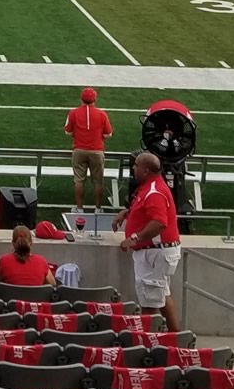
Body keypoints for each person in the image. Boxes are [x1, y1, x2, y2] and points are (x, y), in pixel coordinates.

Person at [118, 151, 182, 331]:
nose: (133, 168)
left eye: (136, 165)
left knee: (149, 304)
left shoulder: (154, 191)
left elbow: (159, 223)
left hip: (154, 253)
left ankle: (149, 347)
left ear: (145, 170)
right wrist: (127, 214)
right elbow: (147, 211)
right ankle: (175, 340)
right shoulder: (152, 186)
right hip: (158, 252)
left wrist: (134, 238)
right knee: (162, 297)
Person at [65, 86, 113, 212]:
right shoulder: (102, 114)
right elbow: (108, 134)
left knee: (79, 180)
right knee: (98, 181)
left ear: (81, 98)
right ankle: (98, 208)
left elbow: (68, 131)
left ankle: (79, 208)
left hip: (79, 149)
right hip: (97, 150)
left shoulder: (73, 113)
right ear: (95, 99)